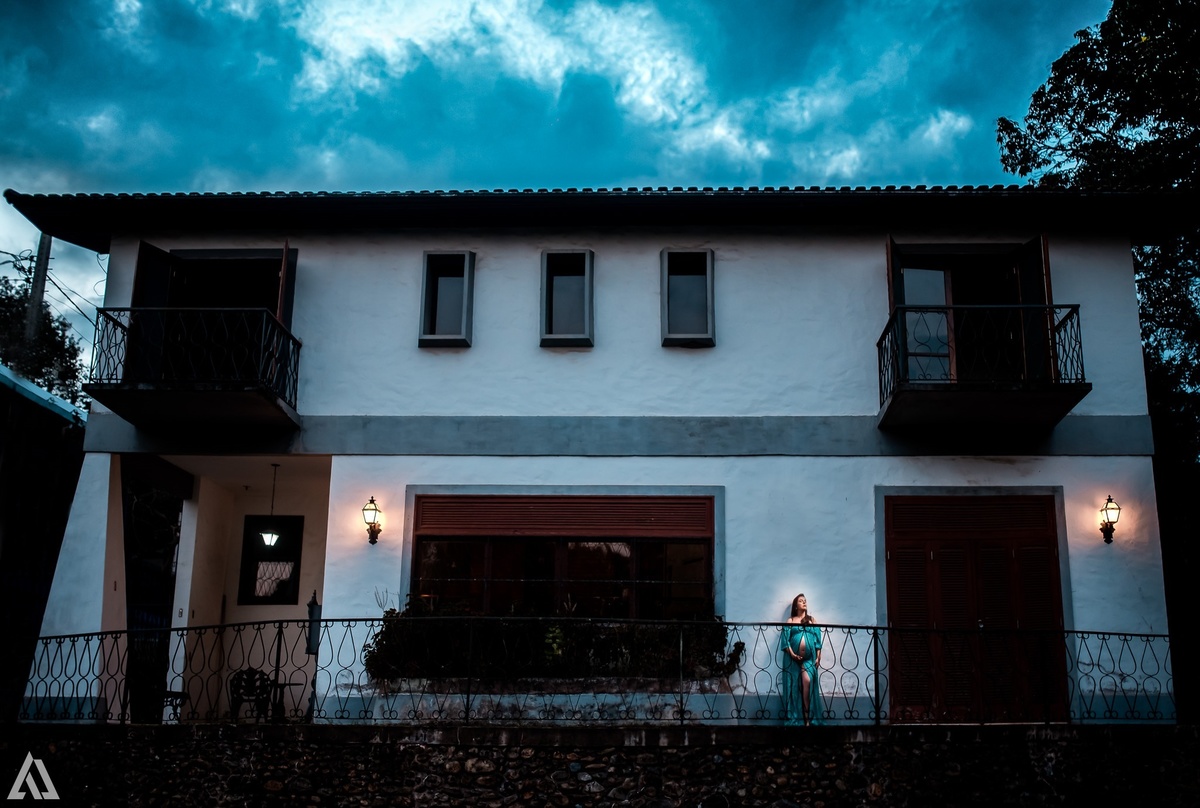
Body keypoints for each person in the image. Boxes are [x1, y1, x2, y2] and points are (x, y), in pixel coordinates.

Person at [781, 593, 824, 726]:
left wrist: (818, 656)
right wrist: (792, 654)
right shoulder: (791, 620)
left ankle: (808, 717)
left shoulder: (812, 620)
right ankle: (797, 717)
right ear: (795, 606)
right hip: (792, 658)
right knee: (793, 686)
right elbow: (785, 640)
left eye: (805, 600)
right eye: (801, 601)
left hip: (809, 659)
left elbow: (818, 640)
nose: (804, 602)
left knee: (807, 682)